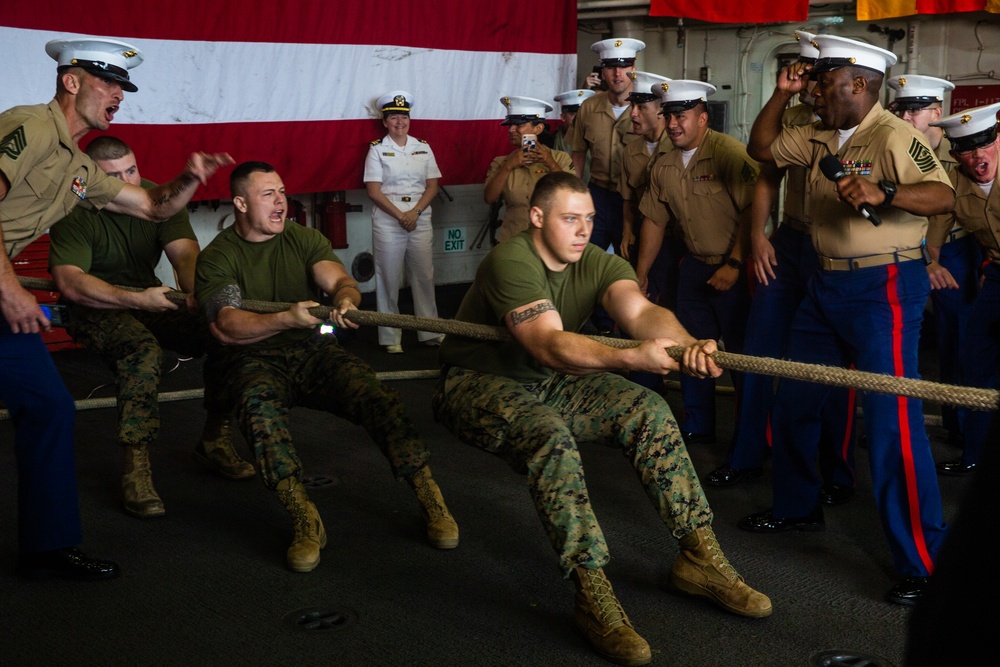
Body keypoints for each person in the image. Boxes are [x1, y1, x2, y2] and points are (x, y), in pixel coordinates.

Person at [433, 171, 771, 667]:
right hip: (476, 381)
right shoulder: (511, 259)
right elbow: (550, 345)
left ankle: (699, 558)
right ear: (537, 218)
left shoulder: (595, 260)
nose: (583, 230)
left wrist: (685, 343)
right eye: (570, 219)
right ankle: (592, 593)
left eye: (589, 219)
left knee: (648, 410)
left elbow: (640, 311)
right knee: (551, 441)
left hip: (547, 381)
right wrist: (635, 359)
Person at [1, 36, 232, 580]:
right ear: (71, 81)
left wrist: (191, 178)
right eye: (108, 83)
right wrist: (10, 290)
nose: (119, 95)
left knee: (49, 408)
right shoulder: (29, 126)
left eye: (123, 86)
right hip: (1, 289)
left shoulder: (77, 166)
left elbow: (152, 206)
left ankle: (46, 549)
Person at [740, 34, 954, 606]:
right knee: (796, 401)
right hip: (823, 282)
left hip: (882, 284)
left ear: (858, 83)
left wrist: (887, 192)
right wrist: (782, 98)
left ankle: (923, 561)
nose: (814, 87)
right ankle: (797, 508)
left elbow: (942, 195)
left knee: (892, 423)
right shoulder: (815, 132)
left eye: (824, 79)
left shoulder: (894, 135)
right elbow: (761, 149)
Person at [195, 161, 459, 573]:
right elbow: (227, 326)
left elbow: (337, 280)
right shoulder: (218, 257)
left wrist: (346, 298)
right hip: (252, 357)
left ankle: (430, 496)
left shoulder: (302, 238)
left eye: (282, 191)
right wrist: (284, 318)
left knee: (377, 397)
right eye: (268, 194)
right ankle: (304, 516)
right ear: (241, 204)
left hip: (310, 350)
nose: (281, 200)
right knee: (259, 414)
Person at [48, 136, 255, 520]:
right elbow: (72, 282)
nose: (127, 181)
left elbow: (186, 255)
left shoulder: (158, 199)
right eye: (114, 175)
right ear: (93, 176)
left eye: (131, 170)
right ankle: (136, 469)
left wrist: (197, 293)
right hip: (92, 307)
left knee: (226, 331)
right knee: (142, 351)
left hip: (148, 300)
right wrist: (138, 299)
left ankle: (214, 439)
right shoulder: (74, 204)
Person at [709, 31, 857, 500]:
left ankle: (836, 470)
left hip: (833, 246)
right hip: (789, 242)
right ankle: (747, 455)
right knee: (757, 351)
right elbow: (764, 170)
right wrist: (757, 235)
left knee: (831, 364)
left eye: (822, 78)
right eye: (809, 78)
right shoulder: (791, 116)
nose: (815, 89)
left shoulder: (859, 124)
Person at [636, 79, 757, 446]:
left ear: (703, 118)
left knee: (741, 358)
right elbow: (654, 221)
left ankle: (749, 439)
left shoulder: (730, 153)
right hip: (693, 269)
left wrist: (734, 265)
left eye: (682, 116)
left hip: (735, 269)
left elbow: (754, 211)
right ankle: (698, 424)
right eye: (669, 115)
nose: (673, 124)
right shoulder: (664, 163)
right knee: (688, 349)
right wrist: (639, 275)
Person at [889, 74, 980, 450]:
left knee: (956, 344)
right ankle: (896, 423)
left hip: (953, 255)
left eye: (916, 111)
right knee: (896, 345)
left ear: (936, 112)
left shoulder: (960, 151)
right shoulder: (892, 147)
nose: (907, 119)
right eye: (902, 110)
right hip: (903, 253)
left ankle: (962, 432)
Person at [926, 101, 1000, 474]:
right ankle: (975, 455)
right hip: (996, 279)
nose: (978, 155)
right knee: (975, 366)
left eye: (985, 143)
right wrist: (930, 264)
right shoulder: (953, 183)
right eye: (968, 149)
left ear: (998, 139)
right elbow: (932, 239)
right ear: (956, 155)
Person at [363, 91, 443, 354]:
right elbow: (374, 190)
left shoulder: (423, 146)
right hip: (389, 219)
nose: (400, 122)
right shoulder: (377, 149)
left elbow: (433, 185)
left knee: (424, 275)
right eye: (394, 117)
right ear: (385, 121)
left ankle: (430, 332)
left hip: (419, 215)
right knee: (388, 277)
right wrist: (401, 215)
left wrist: (415, 213)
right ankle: (390, 337)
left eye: (404, 117)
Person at [571, 38, 644, 259]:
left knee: (630, 260)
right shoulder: (589, 107)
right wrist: (575, 195)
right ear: (602, 72)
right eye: (611, 67)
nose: (617, 74)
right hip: (597, 195)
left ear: (634, 69)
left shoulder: (648, 109)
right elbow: (578, 153)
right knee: (588, 259)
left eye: (624, 66)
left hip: (634, 197)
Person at [484, 96, 574, 243]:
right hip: (512, 239)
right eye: (510, 125)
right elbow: (489, 198)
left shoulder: (560, 159)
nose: (511, 129)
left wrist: (550, 162)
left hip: (551, 239)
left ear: (538, 128)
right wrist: (508, 166)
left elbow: (571, 194)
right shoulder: (501, 162)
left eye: (518, 125)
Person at [552, 89, 594, 184]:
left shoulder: (596, 136)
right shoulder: (554, 139)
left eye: (584, 114)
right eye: (574, 114)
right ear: (563, 117)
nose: (579, 119)